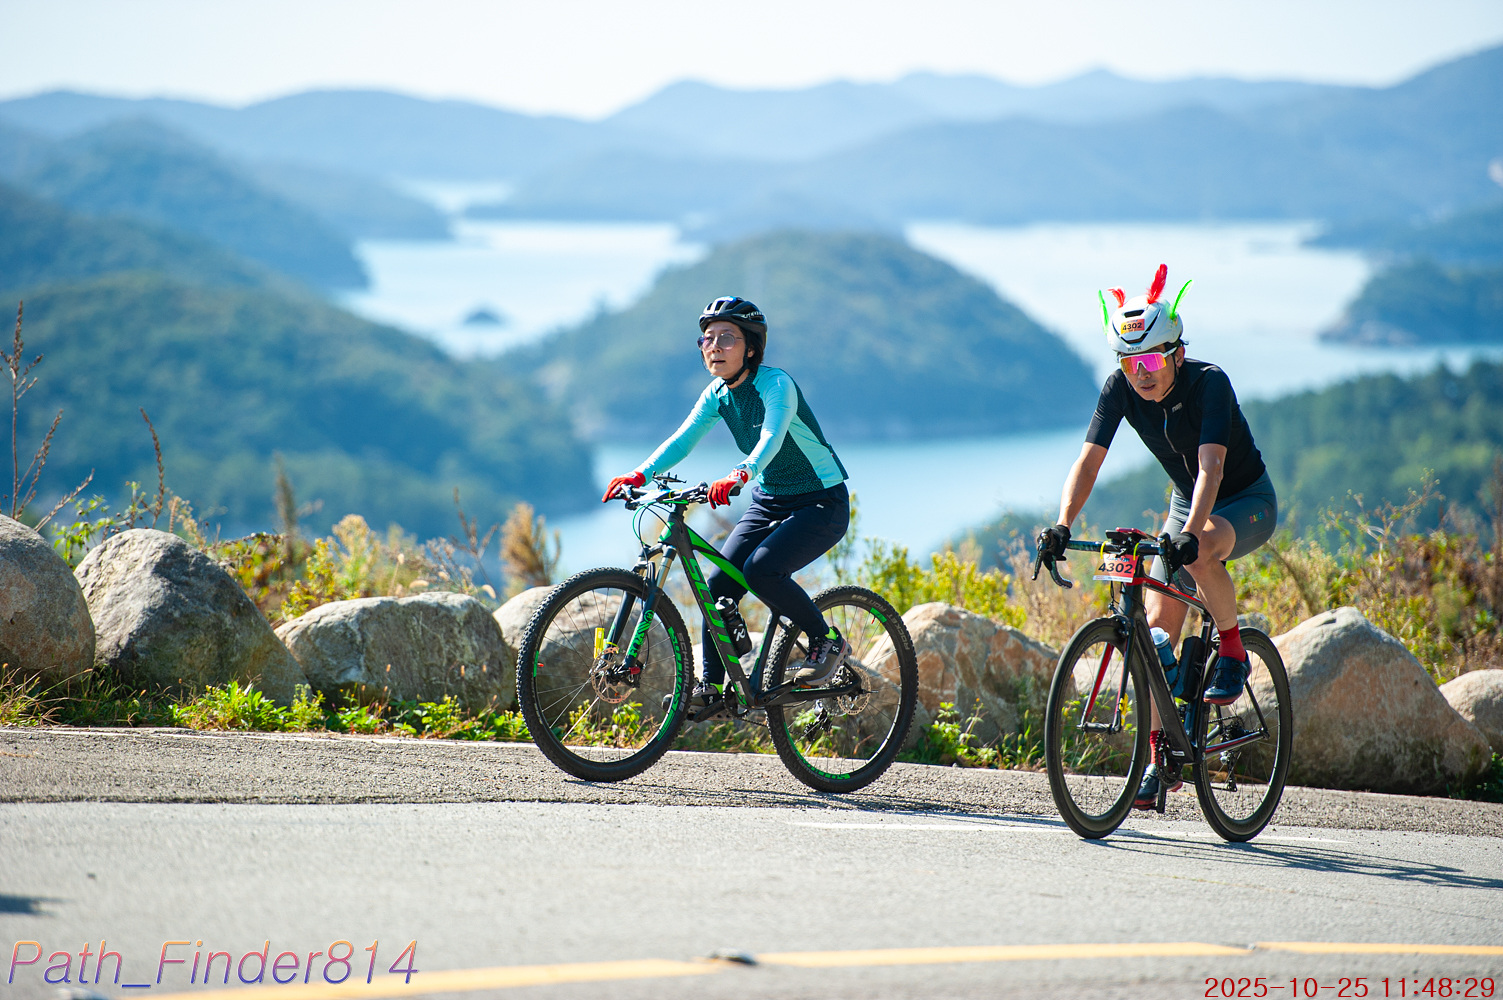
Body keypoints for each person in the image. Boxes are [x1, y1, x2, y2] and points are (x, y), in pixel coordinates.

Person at [1036, 265, 1278, 809]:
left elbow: (1211, 468)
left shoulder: (1209, 382)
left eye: (1149, 361)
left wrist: (1190, 536)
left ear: (1176, 353)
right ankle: (1158, 758)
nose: (1139, 374)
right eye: (1128, 363)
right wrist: (1062, 524)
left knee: (1199, 552)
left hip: (1244, 500)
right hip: (1185, 502)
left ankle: (1233, 649)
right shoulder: (1120, 387)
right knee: (1152, 635)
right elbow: (1088, 462)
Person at [602, 296, 852, 710]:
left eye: (727, 338)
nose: (714, 346)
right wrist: (639, 474)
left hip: (821, 501)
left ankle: (826, 640)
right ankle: (711, 689)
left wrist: (740, 473)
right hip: (770, 500)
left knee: (761, 570)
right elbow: (682, 439)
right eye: (707, 338)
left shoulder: (776, 384)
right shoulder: (717, 393)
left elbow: (772, 436)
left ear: (751, 348)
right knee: (718, 587)